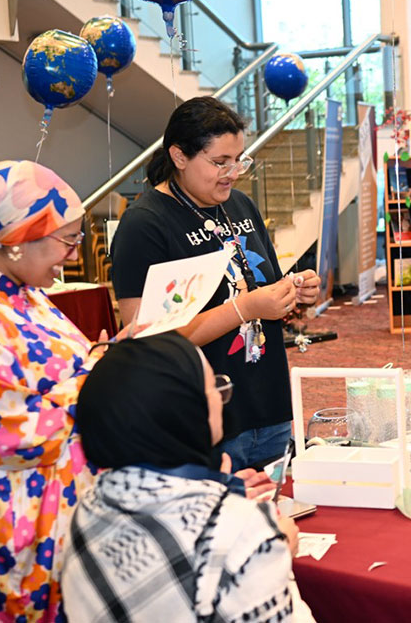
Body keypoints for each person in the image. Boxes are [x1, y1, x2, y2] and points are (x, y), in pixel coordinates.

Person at [111, 97, 320, 471]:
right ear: (179, 156)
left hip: (269, 405)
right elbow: (144, 341)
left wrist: (293, 294)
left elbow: (257, 285)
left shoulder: (239, 205)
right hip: (203, 417)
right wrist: (246, 308)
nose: (233, 172)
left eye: (239, 159)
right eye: (219, 162)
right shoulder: (144, 225)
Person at [62, 332, 312, 621]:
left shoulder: (86, 508)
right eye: (214, 386)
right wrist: (279, 550)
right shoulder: (241, 532)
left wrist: (211, 492)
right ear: (187, 411)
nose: (222, 399)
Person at [0, 161, 97, 621]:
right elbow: (9, 433)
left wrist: (107, 356)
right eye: (67, 240)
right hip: (7, 524)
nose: (73, 256)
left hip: (53, 513)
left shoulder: (21, 291)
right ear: (19, 238)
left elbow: (59, 373)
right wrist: (103, 375)